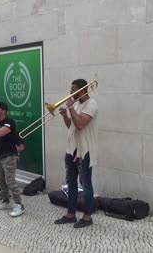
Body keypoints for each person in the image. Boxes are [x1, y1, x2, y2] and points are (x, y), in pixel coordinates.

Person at [54, 79, 98, 229]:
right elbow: (72, 127)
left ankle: (87, 217)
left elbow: (80, 125)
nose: (71, 93)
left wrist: (71, 108)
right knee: (71, 182)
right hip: (71, 149)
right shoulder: (77, 104)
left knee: (86, 184)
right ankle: (71, 214)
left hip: (84, 150)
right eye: (70, 90)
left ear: (83, 90)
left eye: (74, 90)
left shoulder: (91, 104)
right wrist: (65, 116)